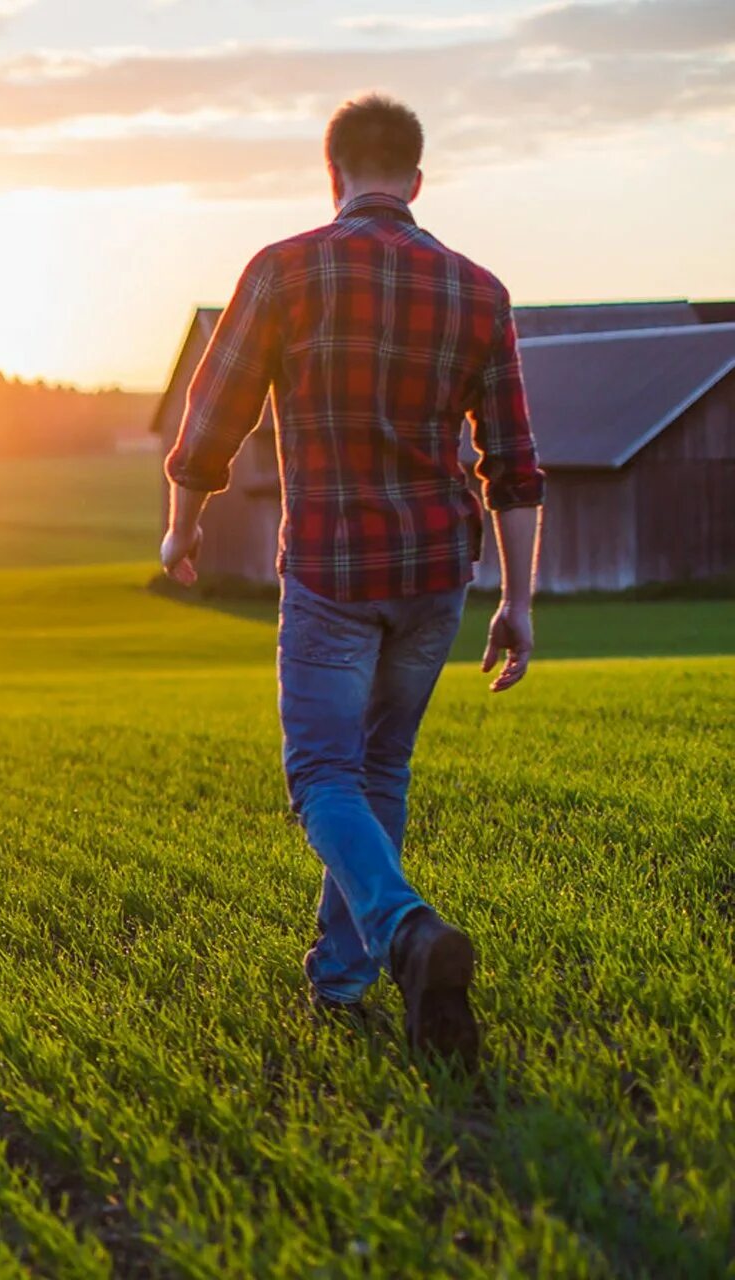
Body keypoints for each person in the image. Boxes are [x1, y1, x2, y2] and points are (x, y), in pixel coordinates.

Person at [160, 94, 545, 1069]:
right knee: (380, 769)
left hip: (333, 567)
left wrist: (182, 527)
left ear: (333, 175)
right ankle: (342, 976)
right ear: (415, 181)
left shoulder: (285, 270)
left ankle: (406, 931)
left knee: (323, 775)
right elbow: (514, 464)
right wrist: (518, 599)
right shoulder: (480, 292)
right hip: (434, 571)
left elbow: (213, 420)